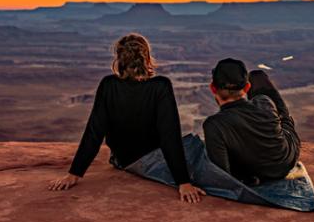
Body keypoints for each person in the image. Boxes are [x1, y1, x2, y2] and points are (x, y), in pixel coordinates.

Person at [48, 33, 206, 203]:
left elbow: (94, 133)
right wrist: (183, 181)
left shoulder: (108, 85)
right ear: (146, 57)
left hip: (122, 161)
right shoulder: (161, 86)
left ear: (119, 59)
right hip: (152, 161)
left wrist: (74, 174)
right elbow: (169, 136)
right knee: (197, 148)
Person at [202, 58, 301, 185]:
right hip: (286, 162)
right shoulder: (265, 102)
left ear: (213, 88)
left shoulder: (214, 124)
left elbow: (222, 174)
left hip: (255, 173)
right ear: (247, 87)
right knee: (258, 76)